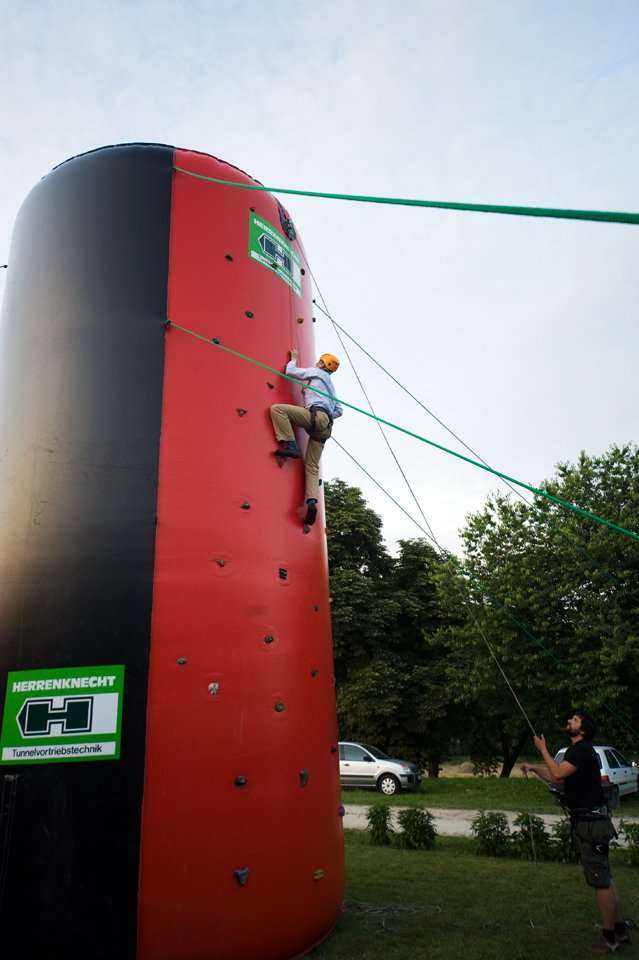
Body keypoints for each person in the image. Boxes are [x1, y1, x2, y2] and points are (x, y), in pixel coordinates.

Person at [522, 712, 629, 953]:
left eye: (576, 720)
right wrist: (535, 768)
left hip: (591, 824)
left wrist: (542, 749)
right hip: (592, 821)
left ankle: (609, 937)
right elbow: (559, 778)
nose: (571, 720)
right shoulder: (577, 752)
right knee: (605, 878)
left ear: (583, 730)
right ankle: (619, 929)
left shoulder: (581, 750)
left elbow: (558, 774)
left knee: (600, 881)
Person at [270, 349, 342, 526]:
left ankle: (291, 444)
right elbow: (339, 410)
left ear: (322, 364)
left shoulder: (316, 373)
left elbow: (291, 371)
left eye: (320, 361)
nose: (318, 362)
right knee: (312, 466)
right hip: (326, 427)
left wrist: (293, 359)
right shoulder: (330, 386)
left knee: (278, 410)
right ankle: (311, 501)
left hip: (316, 416)